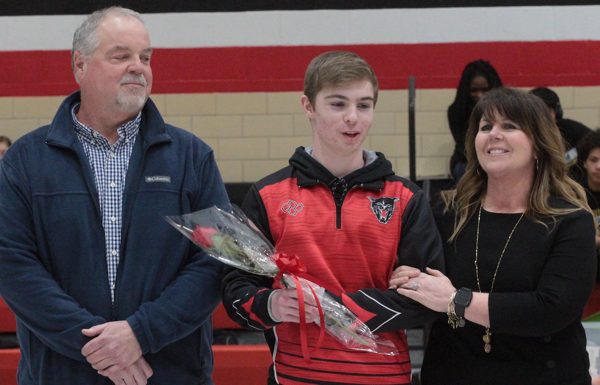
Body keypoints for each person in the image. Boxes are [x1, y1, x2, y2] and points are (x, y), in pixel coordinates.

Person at [0, 7, 228, 384]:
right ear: (80, 65)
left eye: (145, 57)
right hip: (61, 373)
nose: (138, 67)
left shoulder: (192, 157)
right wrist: (96, 345)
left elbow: (214, 260)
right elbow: (13, 264)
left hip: (168, 373)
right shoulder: (25, 161)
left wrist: (141, 333)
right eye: (121, 56)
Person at [221, 51, 445, 385]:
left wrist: (327, 305)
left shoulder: (405, 198)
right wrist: (273, 304)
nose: (353, 118)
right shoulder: (267, 196)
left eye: (364, 105)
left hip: (384, 379)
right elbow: (235, 291)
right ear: (308, 106)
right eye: (338, 105)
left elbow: (429, 303)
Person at [390, 87, 596, 384]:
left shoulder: (570, 220)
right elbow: (420, 283)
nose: (494, 134)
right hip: (453, 374)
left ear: (538, 145)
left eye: (510, 126)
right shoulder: (445, 211)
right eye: (486, 127)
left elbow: (550, 310)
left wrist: (454, 300)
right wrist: (406, 278)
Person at [448, 59, 503, 183]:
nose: (479, 95)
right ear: (466, 90)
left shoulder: (505, 110)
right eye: (474, 90)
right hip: (467, 160)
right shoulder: (456, 111)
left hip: (499, 155)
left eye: (484, 90)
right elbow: (464, 146)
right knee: (466, 172)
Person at [530, 86, 591, 182]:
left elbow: (595, 142)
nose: (542, 118)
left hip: (577, 184)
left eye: (546, 112)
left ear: (556, 112)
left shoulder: (570, 128)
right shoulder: (526, 135)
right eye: (538, 113)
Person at [577, 128, 600, 279]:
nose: (599, 166)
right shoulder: (573, 194)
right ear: (584, 162)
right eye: (594, 160)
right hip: (582, 271)